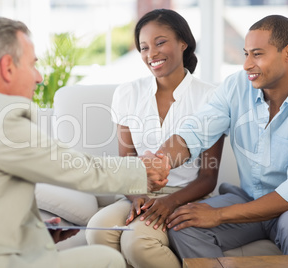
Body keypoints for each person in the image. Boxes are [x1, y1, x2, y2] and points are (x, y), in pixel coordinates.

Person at [0, 16, 170, 268]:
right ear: (7, 67)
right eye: (32, 65)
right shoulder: (2, 118)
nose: (38, 77)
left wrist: (34, 233)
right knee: (107, 260)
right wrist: (143, 170)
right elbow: (77, 168)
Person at [156, 14, 288, 260]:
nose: (247, 64)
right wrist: (161, 160)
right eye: (246, 53)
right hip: (249, 196)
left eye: (257, 54)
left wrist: (218, 215)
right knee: (184, 224)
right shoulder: (236, 86)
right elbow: (195, 132)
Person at [86, 9, 224, 268]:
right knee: (97, 230)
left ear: (183, 42)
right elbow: (126, 163)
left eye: (160, 42)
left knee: (137, 242)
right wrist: (137, 196)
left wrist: (168, 202)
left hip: (186, 196)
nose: (151, 54)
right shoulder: (128, 93)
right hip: (139, 194)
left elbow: (208, 177)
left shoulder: (211, 97)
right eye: (144, 47)